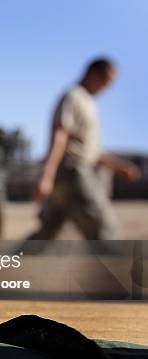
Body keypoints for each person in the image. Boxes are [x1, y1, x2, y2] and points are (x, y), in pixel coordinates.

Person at [30, 58, 140, 240]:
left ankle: (12, 268)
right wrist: (46, 175)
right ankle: (117, 268)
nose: (107, 88)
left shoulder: (89, 102)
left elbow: (89, 150)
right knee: (105, 230)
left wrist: (117, 166)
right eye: (106, 81)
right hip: (73, 173)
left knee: (48, 234)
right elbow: (60, 136)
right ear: (92, 74)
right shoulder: (74, 96)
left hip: (72, 171)